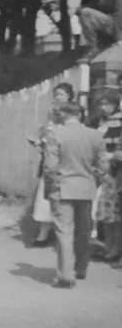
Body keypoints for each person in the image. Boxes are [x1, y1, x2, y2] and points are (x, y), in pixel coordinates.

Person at [45, 102, 109, 288]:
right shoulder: (95, 135)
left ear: (63, 115)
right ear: (80, 115)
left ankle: (66, 274)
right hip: (86, 187)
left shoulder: (55, 134)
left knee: (64, 231)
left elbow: (50, 167)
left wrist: (51, 187)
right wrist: (94, 179)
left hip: (63, 187)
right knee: (83, 231)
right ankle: (81, 268)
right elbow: (103, 166)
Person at [32, 84, 76, 247]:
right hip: (50, 162)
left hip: (66, 162)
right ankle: (43, 232)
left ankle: (64, 233)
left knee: (65, 199)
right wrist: (40, 141)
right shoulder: (51, 116)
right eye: (56, 94)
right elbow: (44, 134)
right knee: (46, 196)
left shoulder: (75, 114)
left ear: (70, 96)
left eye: (62, 94)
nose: (59, 97)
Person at [93, 92, 122, 262]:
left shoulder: (118, 121)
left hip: (114, 171)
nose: (103, 107)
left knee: (115, 216)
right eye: (101, 104)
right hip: (103, 172)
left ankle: (115, 249)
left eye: (107, 104)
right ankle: (109, 248)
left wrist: (109, 160)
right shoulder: (101, 121)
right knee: (106, 214)